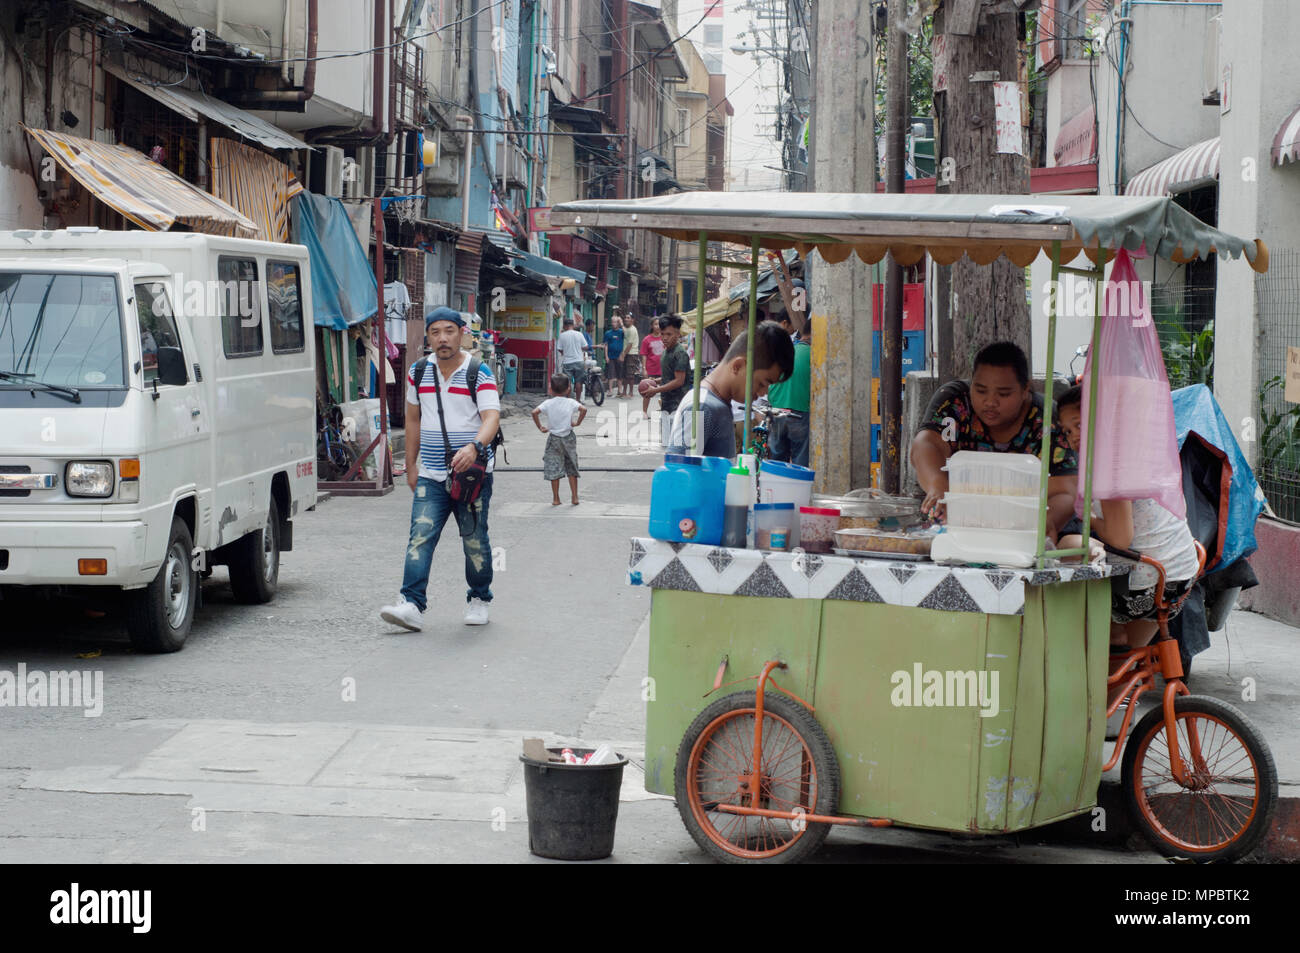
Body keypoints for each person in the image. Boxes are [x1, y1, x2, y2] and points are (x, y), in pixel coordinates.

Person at [379, 307, 501, 632]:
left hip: (472, 475)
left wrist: (474, 445)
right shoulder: (418, 373)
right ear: (428, 337)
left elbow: (491, 418)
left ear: (462, 333)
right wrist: (410, 464)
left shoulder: (479, 371)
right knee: (420, 537)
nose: (443, 338)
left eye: (449, 331)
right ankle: (411, 604)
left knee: (474, 538)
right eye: (436, 332)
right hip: (431, 474)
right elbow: (413, 420)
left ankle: (479, 597)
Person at [1054, 386, 1200, 650]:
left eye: (1079, 424)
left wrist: (1088, 519)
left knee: (1066, 546)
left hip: (1148, 583)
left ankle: (1094, 646)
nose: (1074, 436)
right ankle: (1120, 660)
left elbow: (1120, 538)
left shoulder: (1109, 465)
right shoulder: (1133, 448)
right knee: (1125, 659)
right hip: (1181, 574)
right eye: (1067, 431)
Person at [910, 341, 1077, 537]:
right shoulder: (955, 401)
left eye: (1003, 394)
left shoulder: (1049, 420)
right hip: (958, 526)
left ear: (1025, 390)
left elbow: (1067, 489)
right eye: (980, 391)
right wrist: (937, 485)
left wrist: (1048, 523)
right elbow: (926, 444)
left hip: (1027, 530)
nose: (990, 402)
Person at [666, 323, 794, 458]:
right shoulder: (703, 407)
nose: (764, 393)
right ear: (738, 366)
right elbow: (678, 471)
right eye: (762, 384)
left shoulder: (718, 404)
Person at [532, 373, 587, 505]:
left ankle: (556, 498)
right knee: (572, 466)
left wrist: (540, 426)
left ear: (550, 389)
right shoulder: (571, 402)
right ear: (569, 388)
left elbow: (534, 412)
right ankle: (575, 497)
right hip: (569, 438)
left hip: (554, 439)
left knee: (553, 466)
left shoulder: (548, 403)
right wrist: (577, 422)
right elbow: (583, 409)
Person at [765, 316, 811, 467]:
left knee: (776, 462)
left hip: (776, 412)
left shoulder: (788, 350)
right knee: (800, 462)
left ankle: (775, 490)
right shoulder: (815, 355)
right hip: (800, 413)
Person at [639, 314, 690, 448]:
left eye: (669, 334)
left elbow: (679, 381)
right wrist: (656, 380)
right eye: (662, 334)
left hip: (678, 405)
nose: (665, 338)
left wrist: (655, 390)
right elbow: (670, 377)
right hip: (667, 404)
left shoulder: (680, 353)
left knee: (677, 445)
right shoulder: (666, 351)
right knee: (667, 444)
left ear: (678, 334)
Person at [555, 316, 588, 402]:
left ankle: (568, 400)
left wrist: (564, 353)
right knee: (579, 381)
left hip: (567, 362)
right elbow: (585, 347)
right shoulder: (579, 334)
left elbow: (559, 349)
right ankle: (577, 400)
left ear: (565, 326)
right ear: (573, 325)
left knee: (567, 382)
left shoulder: (562, 335)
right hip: (579, 361)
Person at [639, 320, 665, 414]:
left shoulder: (664, 338)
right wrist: (644, 369)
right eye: (655, 324)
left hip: (663, 369)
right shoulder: (647, 339)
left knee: (665, 391)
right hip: (651, 369)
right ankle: (644, 412)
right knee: (647, 391)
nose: (657, 326)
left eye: (659, 324)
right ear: (652, 326)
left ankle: (664, 410)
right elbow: (644, 355)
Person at [620, 312, 640, 398]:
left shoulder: (632, 329)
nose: (626, 319)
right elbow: (624, 329)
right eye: (625, 318)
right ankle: (624, 391)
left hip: (631, 354)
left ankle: (631, 392)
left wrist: (623, 355)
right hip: (627, 353)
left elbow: (630, 344)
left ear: (632, 320)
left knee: (630, 374)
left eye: (628, 318)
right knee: (624, 374)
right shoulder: (627, 329)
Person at [603, 318, 625, 395]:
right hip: (610, 356)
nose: (613, 323)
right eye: (612, 322)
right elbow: (606, 345)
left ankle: (620, 390)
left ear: (618, 323)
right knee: (610, 374)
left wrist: (622, 324)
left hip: (619, 356)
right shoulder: (608, 333)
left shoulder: (621, 332)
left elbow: (627, 334)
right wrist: (606, 356)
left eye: (615, 322)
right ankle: (610, 390)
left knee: (620, 373)